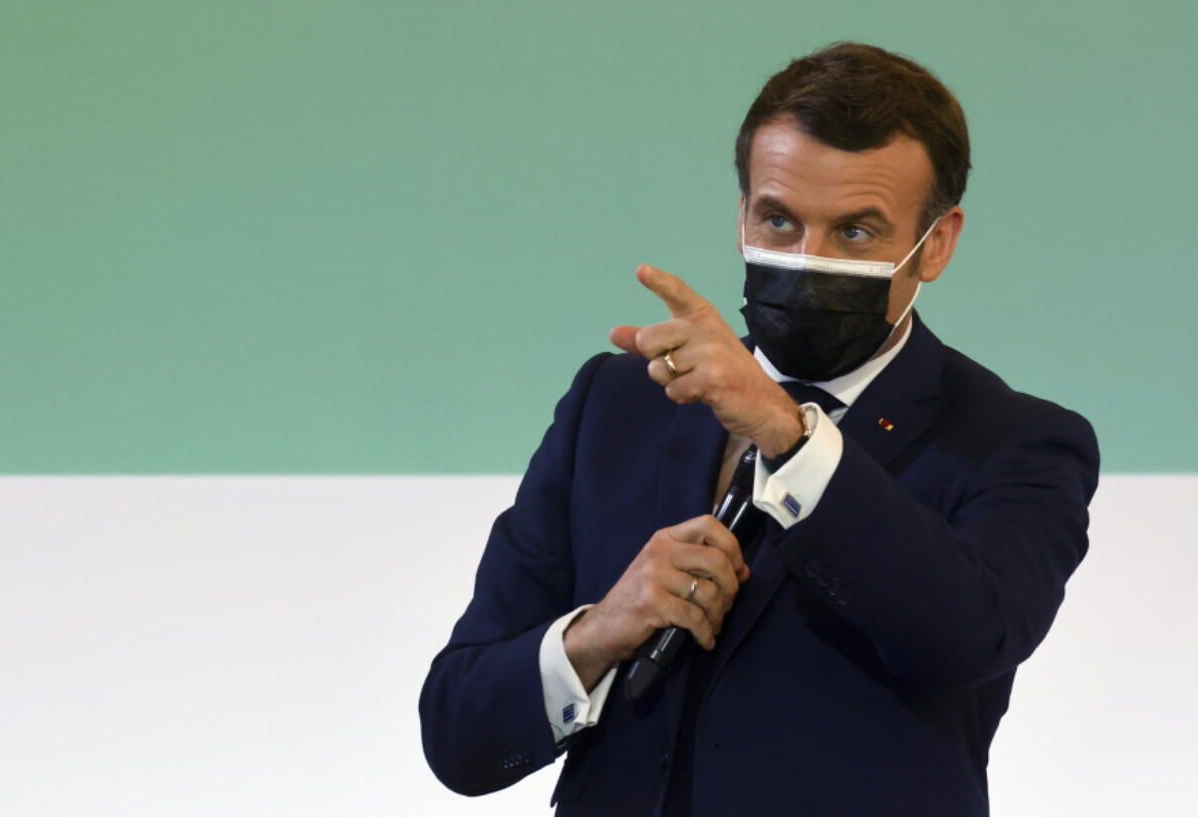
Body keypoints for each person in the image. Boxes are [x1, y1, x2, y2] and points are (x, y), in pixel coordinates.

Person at [419, 42, 1099, 817]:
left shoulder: (1018, 442)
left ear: (934, 244)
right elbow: (456, 732)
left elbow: (966, 636)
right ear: (742, 212)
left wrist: (790, 435)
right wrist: (599, 632)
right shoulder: (615, 404)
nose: (806, 261)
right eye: (778, 220)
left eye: (854, 233)